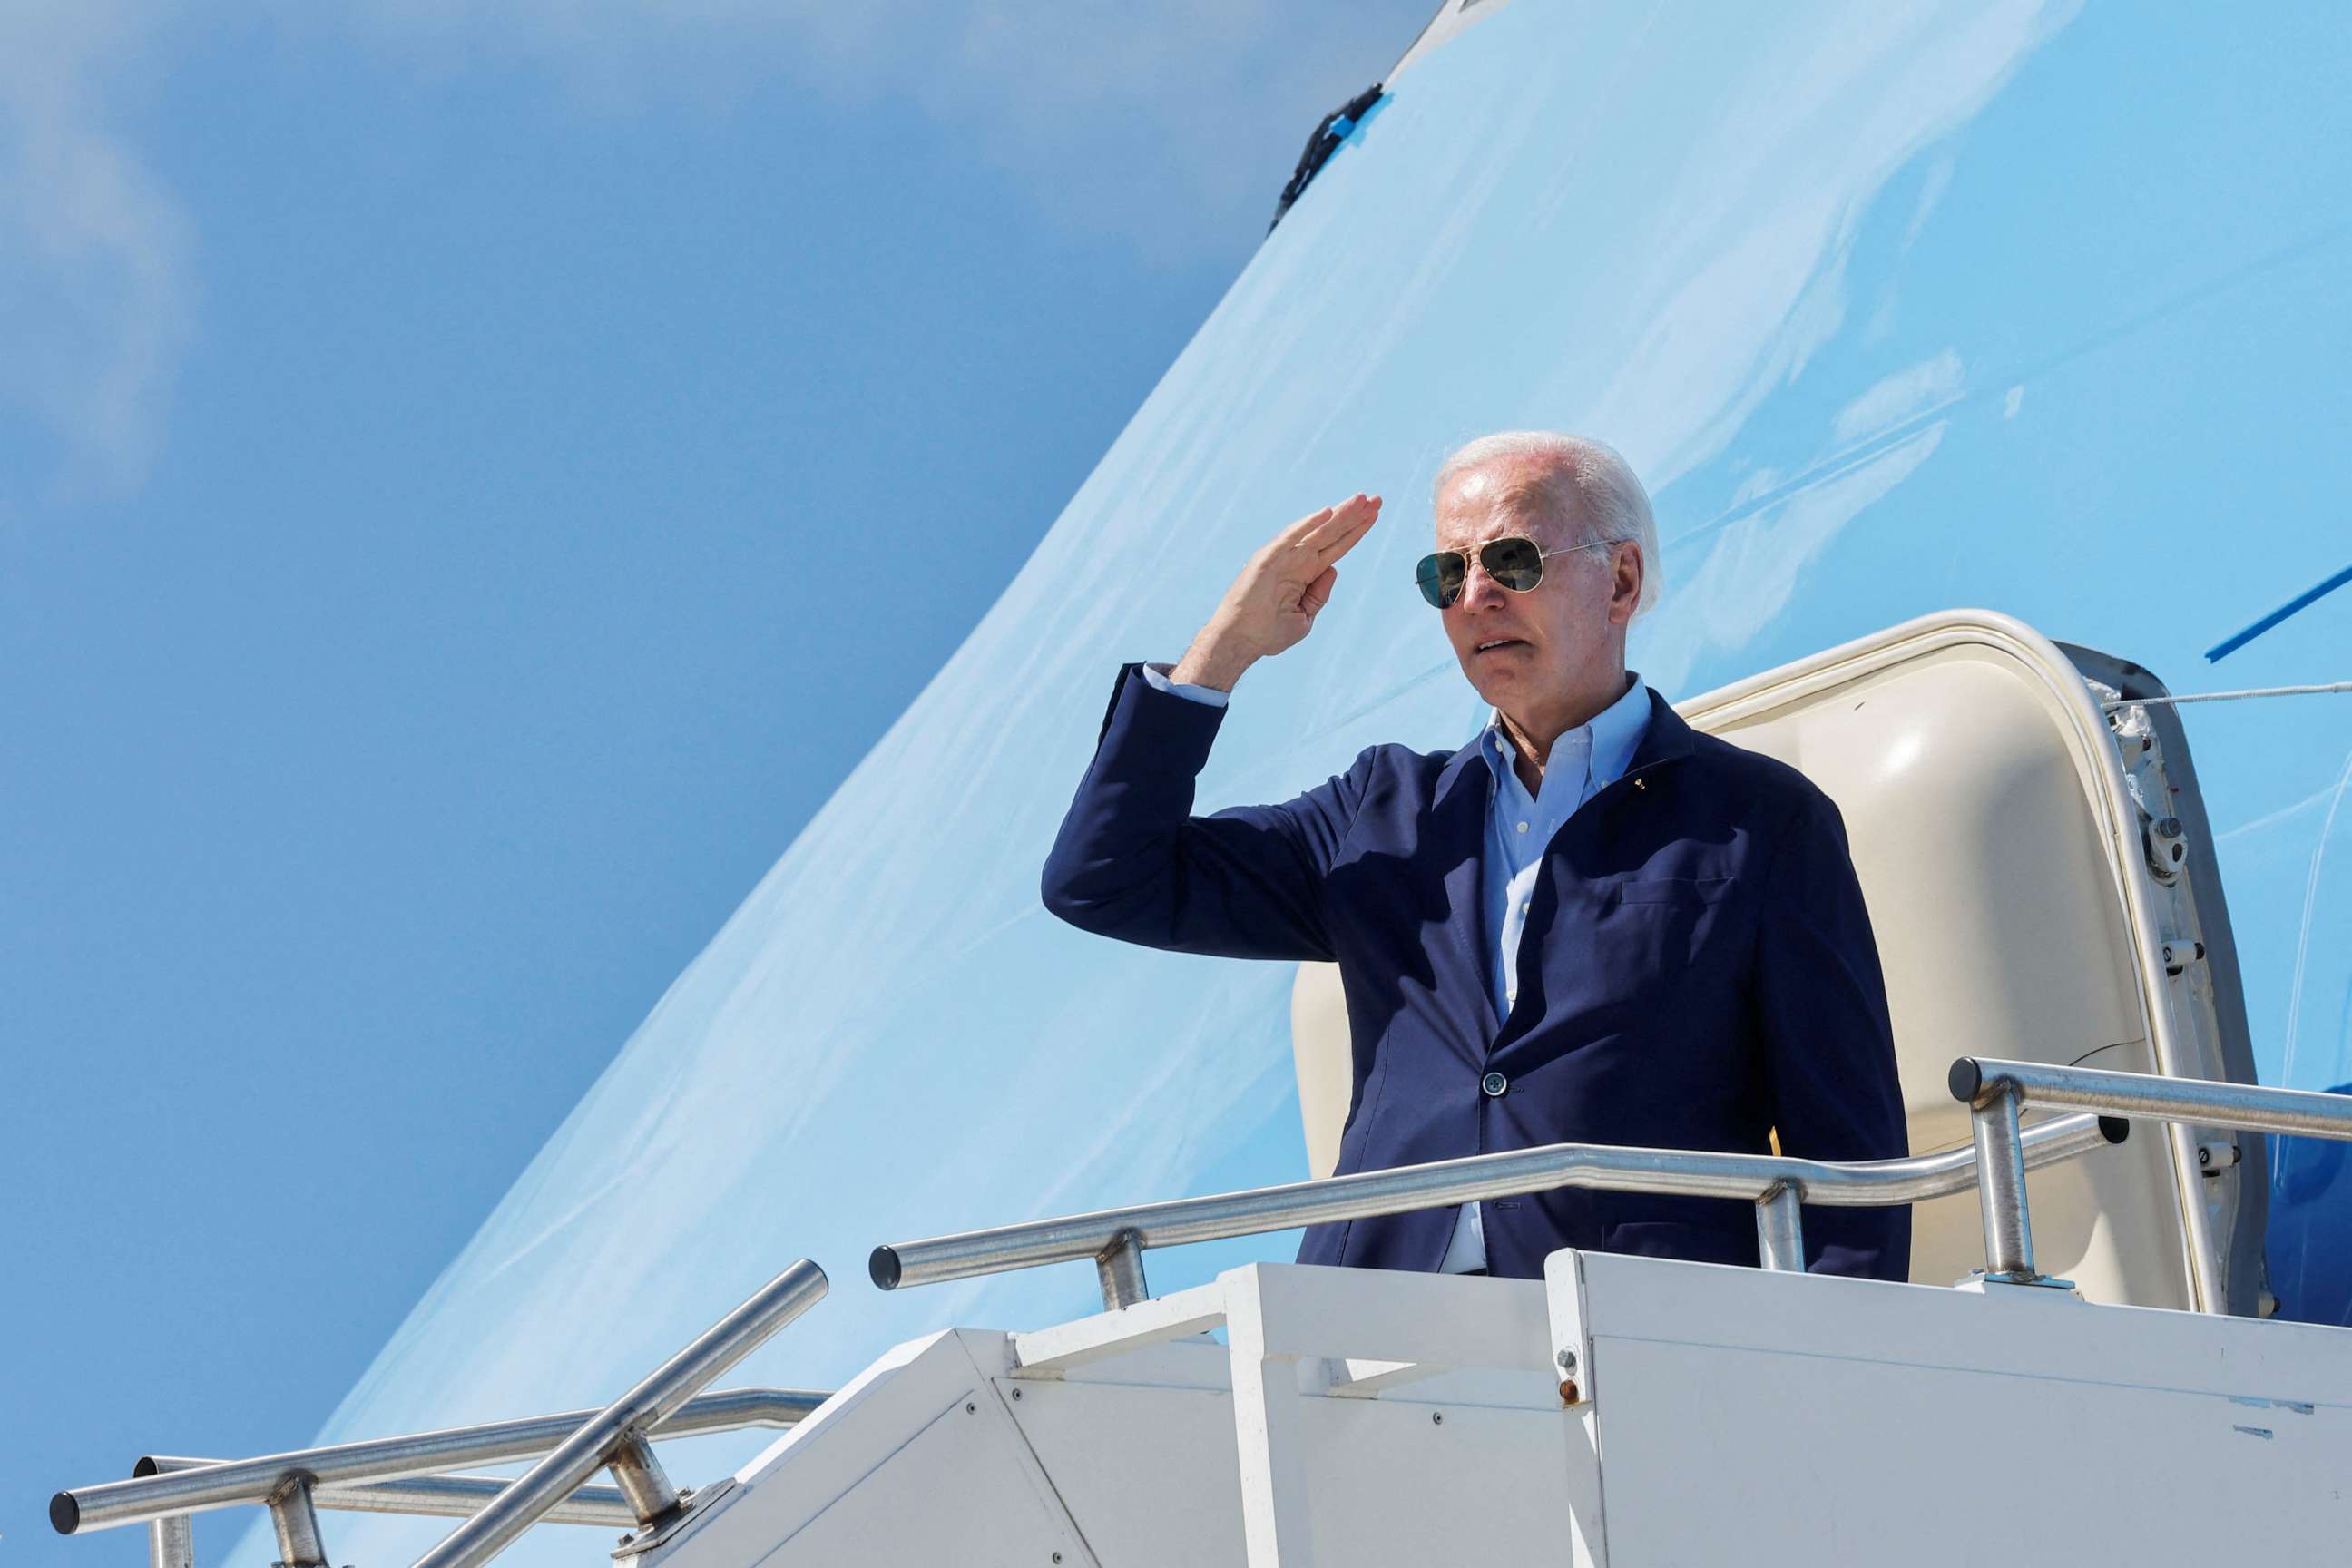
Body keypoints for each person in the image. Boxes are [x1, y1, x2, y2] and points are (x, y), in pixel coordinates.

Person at [1041, 432, 1909, 1281]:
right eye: (1448, 574)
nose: (1477, 596)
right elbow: (1104, 879)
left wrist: (1827, 1382)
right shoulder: (1382, 814)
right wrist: (1225, 647)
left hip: (1641, 1342)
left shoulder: (1761, 823)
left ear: (1622, 580)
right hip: (1378, 1341)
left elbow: (1848, 1156)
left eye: (1515, 561)